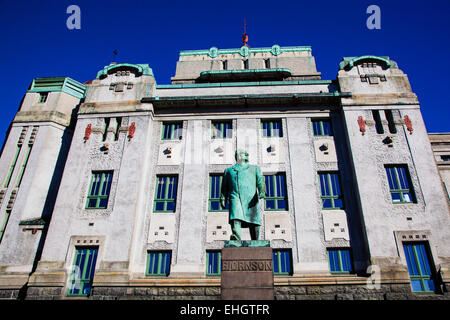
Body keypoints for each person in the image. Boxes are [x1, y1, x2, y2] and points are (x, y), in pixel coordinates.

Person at [220, 149, 265, 240]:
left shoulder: (254, 169)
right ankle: (236, 236)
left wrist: (261, 191)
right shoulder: (229, 170)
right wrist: (223, 198)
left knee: (253, 219)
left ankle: (256, 240)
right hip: (235, 196)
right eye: (240, 154)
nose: (243, 155)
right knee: (235, 215)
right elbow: (224, 186)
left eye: (244, 154)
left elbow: (260, 182)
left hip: (250, 197)